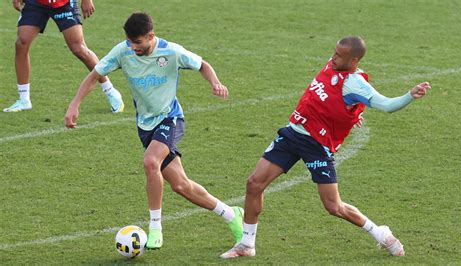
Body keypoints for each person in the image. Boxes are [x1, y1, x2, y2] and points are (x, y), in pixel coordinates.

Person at [220, 36, 431, 259]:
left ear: (354, 60)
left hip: (317, 146)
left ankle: (380, 233)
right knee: (254, 184)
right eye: (334, 52)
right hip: (293, 133)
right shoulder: (333, 65)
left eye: (340, 55)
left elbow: (386, 105)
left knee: (333, 206)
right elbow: (330, 100)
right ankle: (246, 244)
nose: (333, 57)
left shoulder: (354, 83)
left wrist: (409, 96)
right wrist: (353, 113)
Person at [64, 12, 243, 249]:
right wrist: (74, 104)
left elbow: (203, 65)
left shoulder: (171, 52)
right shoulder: (123, 51)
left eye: (137, 42)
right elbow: (95, 75)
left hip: (171, 118)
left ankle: (155, 227)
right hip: (145, 126)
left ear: (151, 36)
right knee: (181, 185)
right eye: (129, 42)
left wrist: (216, 83)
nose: (133, 47)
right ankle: (232, 214)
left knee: (150, 163)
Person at [4, 0, 124, 113]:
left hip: (63, 3)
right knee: (21, 43)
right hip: (36, 2)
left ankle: (110, 91)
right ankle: (24, 99)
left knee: (78, 48)